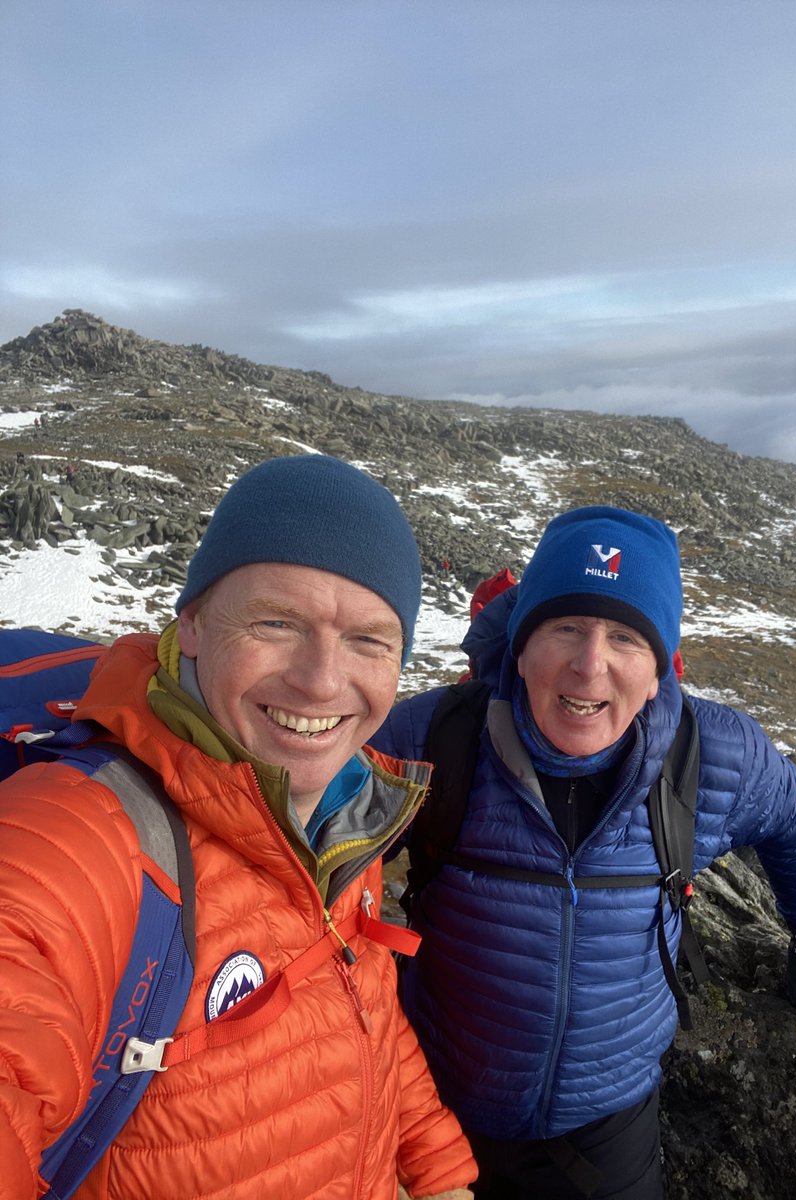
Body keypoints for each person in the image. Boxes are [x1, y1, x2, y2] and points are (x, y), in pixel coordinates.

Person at [0, 455, 476, 1200]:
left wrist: (439, 1172)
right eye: (277, 622)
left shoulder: (343, 810)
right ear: (191, 623)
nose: (321, 680)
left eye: (369, 640)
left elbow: (363, 1013)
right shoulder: (76, 845)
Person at [371, 505, 796, 1200]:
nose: (589, 665)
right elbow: (294, 848)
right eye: (566, 628)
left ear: (660, 666)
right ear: (520, 646)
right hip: (431, 1102)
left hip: (605, 1122)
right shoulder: (435, 739)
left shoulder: (711, 756)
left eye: (624, 638)